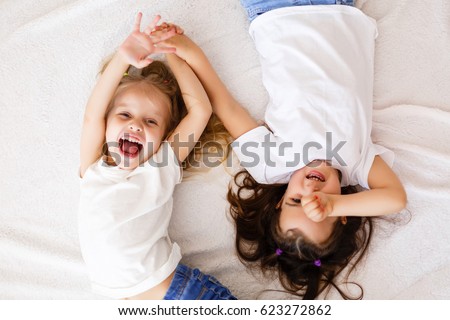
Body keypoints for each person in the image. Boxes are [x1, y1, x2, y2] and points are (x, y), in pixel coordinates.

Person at [156, 0, 407, 300]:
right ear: (343, 215)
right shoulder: (357, 164)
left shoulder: (272, 167)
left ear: (279, 202)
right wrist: (333, 204)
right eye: (319, 207)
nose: (312, 190)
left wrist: (187, 53)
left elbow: (227, 106)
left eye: (296, 200)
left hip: (275, 10)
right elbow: (396, 199)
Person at [78, 12, 236, 300]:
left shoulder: (160, 164)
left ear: (164, 137)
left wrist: (172, 51)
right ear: (106, 124)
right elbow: (92, 114)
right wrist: (123, 58)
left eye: (151, 122)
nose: (135, 125)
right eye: (124, 114)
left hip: (182, 296)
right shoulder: (93, 169)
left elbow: (200, 110)